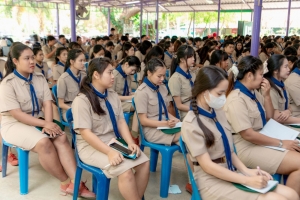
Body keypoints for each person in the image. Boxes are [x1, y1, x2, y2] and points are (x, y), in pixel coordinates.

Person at [182, 65, 298, 200]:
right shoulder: (191, 124)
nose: (223, 98)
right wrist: (246, 180)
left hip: (231, 171)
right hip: (210, 182)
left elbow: (229, 151)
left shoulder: (217, 112)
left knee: (292, 194)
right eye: (220, 93)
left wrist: (247, 171)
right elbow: (208, 166)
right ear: (204, 92)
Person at [0, 44, 95, 198]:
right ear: (16, 61)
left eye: (32, 57)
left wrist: (49, 124)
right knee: (44, 142)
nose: (32, 61)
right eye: (27, 58)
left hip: (37, 119)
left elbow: (46, 103)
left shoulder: (39, 77)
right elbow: (16, 114)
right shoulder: (7, 83)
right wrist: (45, 124)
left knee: (61, 136)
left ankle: (75, 182)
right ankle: (65, 183)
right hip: (13, 124)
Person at [72, 57, 149, 200]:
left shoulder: (112, 95)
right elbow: (86, 133)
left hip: (112, 141)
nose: (113, 76)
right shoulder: (82, 100)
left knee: (144, 163)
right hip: (90, 146)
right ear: (96, 75)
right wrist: (109, 152)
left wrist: (130, 142)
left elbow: (120, 121)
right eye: (110, 73)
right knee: (125, 171)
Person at [224, 55, 300, 196]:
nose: (263, 78)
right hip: (245, 147)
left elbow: (269, 117)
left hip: (262, 139)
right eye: (260, 74)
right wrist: (281, 143)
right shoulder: (236, 99)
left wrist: (266, 96)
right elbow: (248, 134)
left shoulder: (253, 93)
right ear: (249, 75)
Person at [134, 58, 181, 145]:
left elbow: (165, 112)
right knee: (186, 135)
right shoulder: (142, 92)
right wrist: (165, 124)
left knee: (189, 135)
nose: (162, 79)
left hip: (165, 125)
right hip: (151, 130)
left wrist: (175, 120)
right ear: (149, 73)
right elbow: (143, 121)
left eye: (164, 75)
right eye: (159, 76)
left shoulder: (162, 88)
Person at [57, 49, 86, 121]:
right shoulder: (63, 79)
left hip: (83, 107)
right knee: (85, 121)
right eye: (80, 61)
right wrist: (75, 109)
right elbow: (61, 104)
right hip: (69, 110)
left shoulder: (84, 75)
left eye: (84, 60)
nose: (83, 63)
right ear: (72, 62)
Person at [169, 45, 195, 120]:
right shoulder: (175, 79)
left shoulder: (192, 74)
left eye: (193, 56)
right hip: (185, 111)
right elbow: (179, 105)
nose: (193, 59)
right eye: (190, 57)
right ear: (182, 59)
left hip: (194, 106)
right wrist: (196, 110)